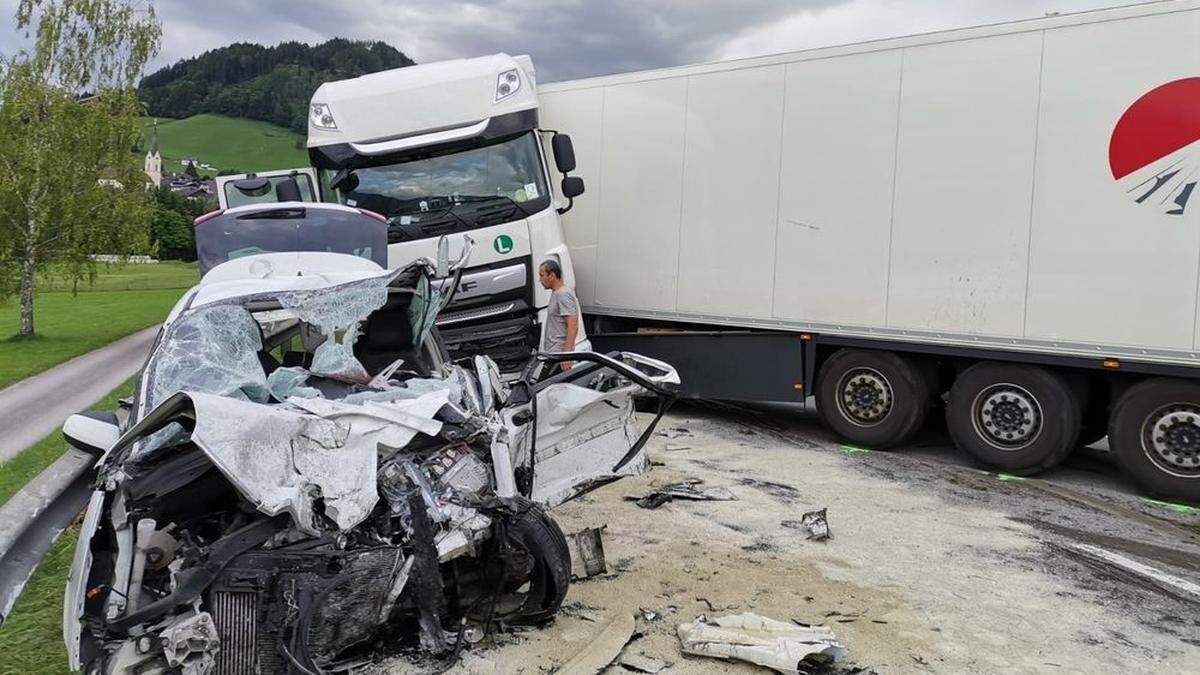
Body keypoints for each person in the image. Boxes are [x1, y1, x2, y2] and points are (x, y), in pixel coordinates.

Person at [537, 259, 579, 372]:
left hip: (559, 356)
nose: (539, 280)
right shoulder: (556, 293)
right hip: (554, 354)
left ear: (552, 275)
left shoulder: (563, 295)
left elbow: (573, 325)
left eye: (542, 275)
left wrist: (567, 355)